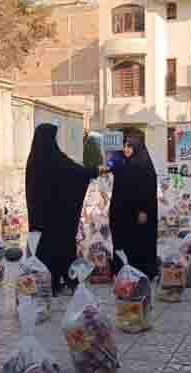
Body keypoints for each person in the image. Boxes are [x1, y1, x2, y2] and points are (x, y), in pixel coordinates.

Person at [25, 123, 107, 296]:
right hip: (56, 216)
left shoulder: (34, 159)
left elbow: (70, 171)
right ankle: (57, 281)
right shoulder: (54, 158)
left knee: (44, 249)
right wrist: (94, 171)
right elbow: (74, 172)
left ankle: (48, 283)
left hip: (40, 217)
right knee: (60, 245)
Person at [110, 136, 159, 280]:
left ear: (137, 148)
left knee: (140, 241)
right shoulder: (124, 163)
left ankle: (142, 270)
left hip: (139, 212)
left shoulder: (144, 166)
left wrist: (144, 210)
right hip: (124, 213)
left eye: (129, 147)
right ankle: (124, 270)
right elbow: (112, 167)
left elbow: (149, 190)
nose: (126, 149)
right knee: (124, 241)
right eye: (124, 146)